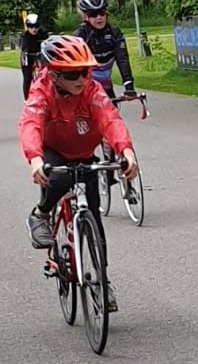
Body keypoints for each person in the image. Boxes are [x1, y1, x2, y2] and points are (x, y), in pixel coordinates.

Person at [19, 35, 139, 312]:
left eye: (85, 72)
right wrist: (35, 159)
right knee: (59, 178)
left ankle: (102, 281)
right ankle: (40, 214)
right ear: (54, 74)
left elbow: (110, 119)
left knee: (93, 217)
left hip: (84, 153)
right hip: (53, 152)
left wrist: (126, 151)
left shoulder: (91, 90)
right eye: (73, 74)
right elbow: (31, 123)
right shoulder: (41, 91)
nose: (82, 79)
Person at [76, 0, 136, 100]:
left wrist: (129, 86)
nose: (99, 17)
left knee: (111, 110)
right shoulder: (81, 36)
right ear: (85, 17)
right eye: (93, 14)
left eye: (102, 12)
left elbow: (122, 59)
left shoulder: (115, 33)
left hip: (106, 86)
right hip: (85, 87)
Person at [20, 11, 49, 98]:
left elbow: (49, 44)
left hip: (41, 56)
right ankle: (27, 99)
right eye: (31, 26)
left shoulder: (43, 34)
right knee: (27, 78)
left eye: (36, 26)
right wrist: (25, 53)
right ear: (27, 27)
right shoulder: (25, 36)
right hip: (28, 56)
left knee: (49, 74)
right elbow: (24, 48)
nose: (34, 29)